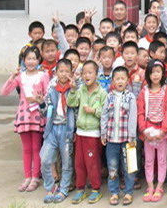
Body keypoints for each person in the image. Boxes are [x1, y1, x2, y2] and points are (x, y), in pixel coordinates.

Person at [1, 46, 50, 193]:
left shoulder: (43, 76)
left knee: (36, 148)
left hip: (37, 116)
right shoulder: (20, 77)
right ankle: (27, 176)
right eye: (28, 59)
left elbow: (48, 95)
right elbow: (4, 92)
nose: (31, 61)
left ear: (39, 60)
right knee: (26, 149)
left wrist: (39, 99)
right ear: (24, 60)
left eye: (34, 58)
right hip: (23, 116)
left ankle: (35, 177)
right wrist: (11, 77)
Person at [68, 60, 107, 204]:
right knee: (79, 162)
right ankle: (80, 188)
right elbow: (71, 103)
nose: (86, 76)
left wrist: (94, 111)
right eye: (84, 73)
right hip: (80, 133)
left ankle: (96, 189)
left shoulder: (102, 93)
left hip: (93, 134)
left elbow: (105, 112)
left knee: (92, 162)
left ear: (97, 74)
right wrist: (72, 90)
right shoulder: (81, 90)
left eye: (90, 73)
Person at [100, 66, 138, 206]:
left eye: (123, 78)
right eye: (117, 79)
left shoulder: (130, 97)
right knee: (113, 168)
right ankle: (114, 192)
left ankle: (128, 192)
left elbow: (133, 117)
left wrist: (132, 136)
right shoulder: (109, 96)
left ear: (127, 80)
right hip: (111, 139)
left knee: (129, 167)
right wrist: (103, 133)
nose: (120, 81)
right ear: (113, 81)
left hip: (127, 140)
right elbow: (104, 115)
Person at [40, 58, 75, 203]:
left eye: (67, 71)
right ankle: (50, 187)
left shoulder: (74, 89)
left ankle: (64, 189)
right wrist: (41, 103)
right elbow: (45, 111)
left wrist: (74, 131)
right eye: (61, 71)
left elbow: (76, 109)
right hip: (53, 128)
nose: (64, 74)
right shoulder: (52, 89)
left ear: (71, 73)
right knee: (44, 159)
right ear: (56, 73)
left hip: (67, 128)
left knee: (66, 162)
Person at [137, 60, 167, 203]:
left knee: (162, 160)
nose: (155, 75)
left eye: (158, 72)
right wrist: (143, 130)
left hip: (161, 130)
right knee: (149, 160)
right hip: (148, 130)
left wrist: (164, 130)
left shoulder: (166, 90)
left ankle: (159, 186)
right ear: (148, 75)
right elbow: (141, 112)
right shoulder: (144, 91)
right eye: (152, 72)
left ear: (162, 74)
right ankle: (150, 186)